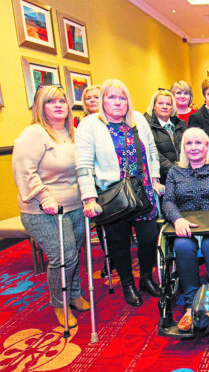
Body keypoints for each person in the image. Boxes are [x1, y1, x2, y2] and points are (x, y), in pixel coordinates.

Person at [76, 79, 163, 307]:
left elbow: (151, 151)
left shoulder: (138, 120)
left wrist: (154, 179)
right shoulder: (90, 124)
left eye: (122, 98)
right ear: (102, 100)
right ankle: (127, 284)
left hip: (143, 193)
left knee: (149, 237)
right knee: (119, 241)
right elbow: (84, 165)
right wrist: (89, 198)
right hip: (113, 194)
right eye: (111, 97)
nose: (117, 102)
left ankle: (145, 278)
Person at [13, 85, 89, 328]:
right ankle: (59, 302)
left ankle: (74, 293)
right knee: (62, 255)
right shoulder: (34, 134)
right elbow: (25, 171)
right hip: (42, 208)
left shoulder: (72, 133)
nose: (58, 105)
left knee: (74, 252)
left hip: (75, 204)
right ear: (40, 107)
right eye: (51, 101)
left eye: (62, 101)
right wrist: (43, 197)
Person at [163, 127, 209, 337]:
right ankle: (190, 307)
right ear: (183, 148)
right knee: (182, 245)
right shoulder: (175, 171)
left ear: (206, 146)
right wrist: (177, 219)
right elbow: (167, 200)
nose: (193, 147)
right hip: (186, 225)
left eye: (198, 143)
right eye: (188, 143)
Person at [144, 89, 187, 185]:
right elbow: (155, 154)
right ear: (154, 106)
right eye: (160, 103)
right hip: (162, 181)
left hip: (184, 177)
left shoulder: (181, 125)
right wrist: (174, 172)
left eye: (168, 104)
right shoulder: (147, 127)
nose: (164, 107)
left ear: (172, 107)